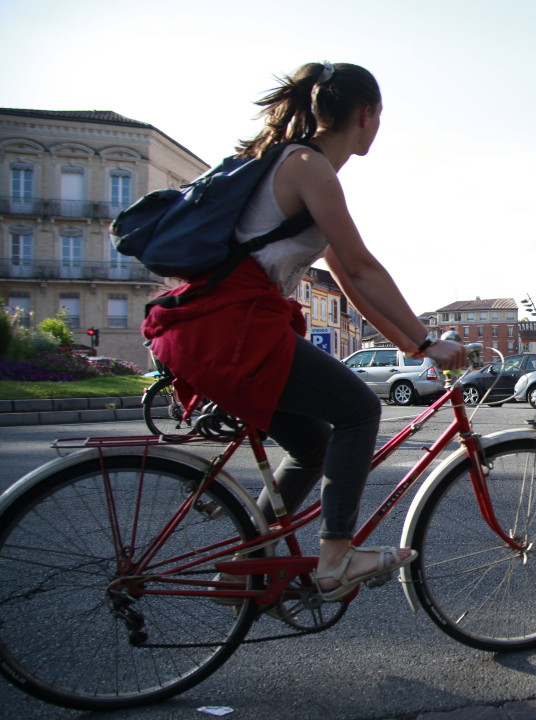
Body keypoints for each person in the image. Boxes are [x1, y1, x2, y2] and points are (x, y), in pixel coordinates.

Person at [142, 61, 467, 602]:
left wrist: (416, 344)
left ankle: (241, 568)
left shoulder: (301, 168)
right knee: (360, 410)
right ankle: (336, 557)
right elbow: (363, 269)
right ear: (367, 114)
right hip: (236, 331)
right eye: (379, 116)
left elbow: (356, 285)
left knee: (313, 445)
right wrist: (430, 343)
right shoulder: (308, 167)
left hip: (230, 328)